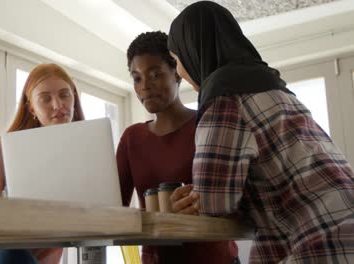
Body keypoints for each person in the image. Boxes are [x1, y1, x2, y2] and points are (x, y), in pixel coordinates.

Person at [168, 1, 354, 263]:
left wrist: (190, 203)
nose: (179, 71)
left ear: (192, 51)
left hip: (322, 243)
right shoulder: (277, 89)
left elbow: (213, 204)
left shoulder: (224, 97)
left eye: (176, 60)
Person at [116, 31, 239, 264]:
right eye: (137, 78)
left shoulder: (208, 125)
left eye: (155, 75)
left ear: (177, 74)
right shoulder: (131, 139)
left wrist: (206, 203)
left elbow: (238, 200)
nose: (145, 86)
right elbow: (113, 211)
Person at [0, 63, 85, 264]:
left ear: (74, 98)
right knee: (14, 253)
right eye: (45, 99)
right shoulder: (0, 148)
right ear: (32, 108)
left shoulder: (84, 156)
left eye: (64, 95)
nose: (58, 105)